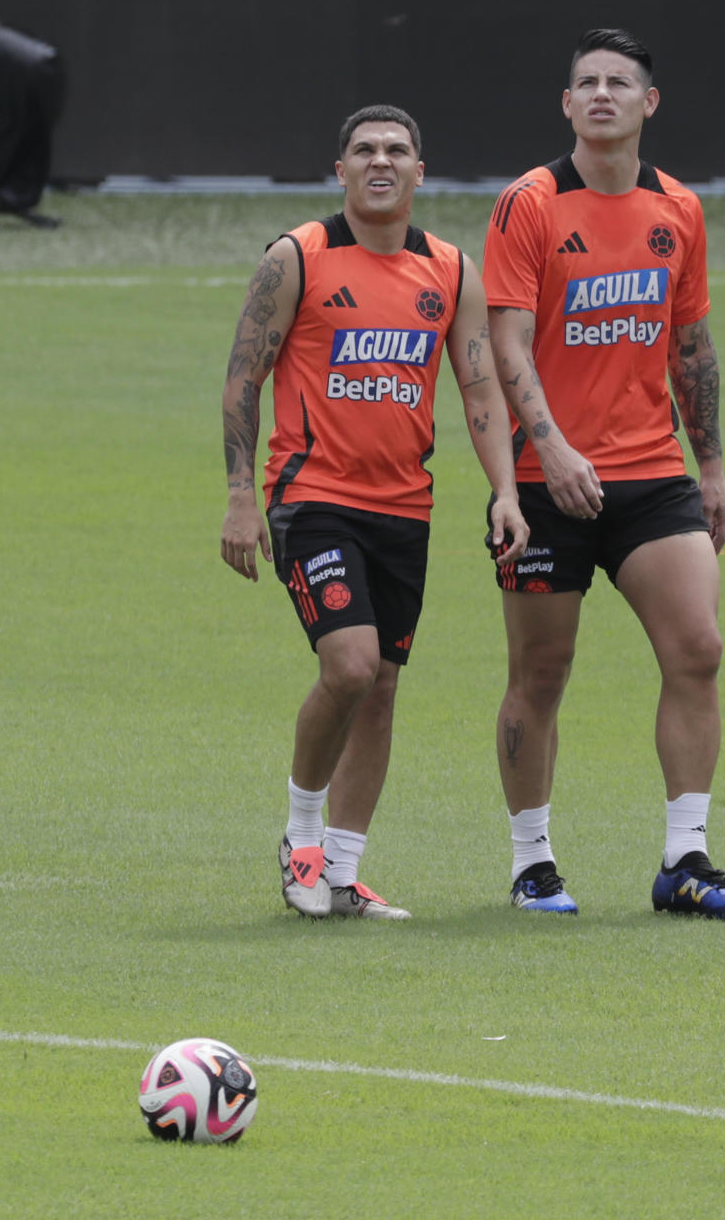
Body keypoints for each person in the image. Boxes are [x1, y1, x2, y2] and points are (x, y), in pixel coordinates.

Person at [221, 106, 529, 920]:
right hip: (313, 498)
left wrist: (505, 490)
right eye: (364, 150)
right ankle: (303, 839)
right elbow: (243, 377)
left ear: (420, 173)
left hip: (405, 507)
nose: (380, 161)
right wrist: (239, 496)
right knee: (350, 665)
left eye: (397, 151)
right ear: (341, 171)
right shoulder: (298, 258)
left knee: (383, 687)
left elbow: (477, 387)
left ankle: (344, 875)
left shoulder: (452, 271)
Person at [479, 28, 725, 918]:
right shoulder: (529, 205)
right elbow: (505, 340)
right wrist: (551, 449)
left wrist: (710, 465)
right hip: (544, 482)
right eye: (586, 83)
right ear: (567, 105)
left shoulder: (678, 208)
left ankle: (686, 859)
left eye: (619, 83)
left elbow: (691, 342)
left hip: (650, 473)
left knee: (699, 650)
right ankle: (533, 864)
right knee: (541, 672)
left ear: (649, 103)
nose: (602, 94)